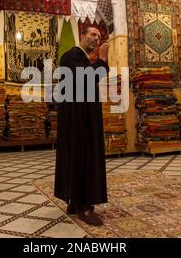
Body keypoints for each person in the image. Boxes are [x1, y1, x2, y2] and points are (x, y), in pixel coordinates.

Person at [54, 26, 109, 226]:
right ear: (83, 36)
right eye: (92, 35)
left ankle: (75, 200)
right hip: (78, 121)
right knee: (83, 157)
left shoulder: (83, 58)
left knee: (80, 157)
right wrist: (102, 60)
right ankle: (84, 206)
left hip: (83, 118)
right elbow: (86, 79)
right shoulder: (71, 55)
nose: (96, 38)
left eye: (99, 36)